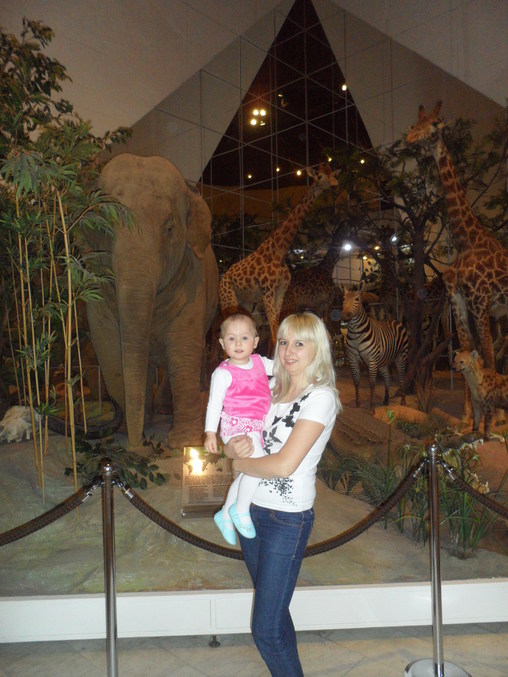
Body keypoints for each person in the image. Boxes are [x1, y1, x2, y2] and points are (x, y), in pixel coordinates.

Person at [222, 312, 341, 677]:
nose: (289, 351)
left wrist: (238, 465)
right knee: (274, 616)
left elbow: (285, 464)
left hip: (287, 520)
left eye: (300, 343)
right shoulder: (269, 386)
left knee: (266, 630)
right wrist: (230, 448)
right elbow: (234, 434)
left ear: (317, 349)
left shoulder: (321, 397)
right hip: (250, 512)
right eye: (285, 342)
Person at [204, 311, 273, 545]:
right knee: (258, 464)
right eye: (231, 339)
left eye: (245, 338)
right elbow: (214, 404)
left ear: (255, 341)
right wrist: (210, 433)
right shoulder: (223, 373)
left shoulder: (260, 362)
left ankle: (224, 514)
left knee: (246, 473)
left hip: (255, 425)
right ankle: (240, 510)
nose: (238, 344)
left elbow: (284, 368)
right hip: (236, 424)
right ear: (222, 343)